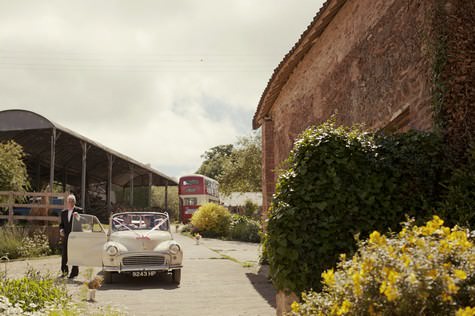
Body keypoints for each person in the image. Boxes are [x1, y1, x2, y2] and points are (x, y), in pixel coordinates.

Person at [59, 194, 82, 279]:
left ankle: (74, 273)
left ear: (74, 202)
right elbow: (61, 224)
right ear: (67, 202)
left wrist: (78, 216)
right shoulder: (63, 212)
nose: (70, 203)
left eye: (72, 201)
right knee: (64, 254)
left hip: (75, 236)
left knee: (75, 254)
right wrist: (61, 230)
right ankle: (64, 272)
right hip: (66, 236)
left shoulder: (79, 210)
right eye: (69, 201)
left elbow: (83, 221)